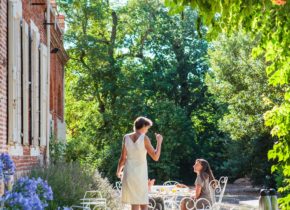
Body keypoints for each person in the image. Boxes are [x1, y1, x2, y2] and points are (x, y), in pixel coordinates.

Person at [116, 116, 163, 210]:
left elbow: (122, 158)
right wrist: (159, 142)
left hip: (128, 173)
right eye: (147, 128)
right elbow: (156, 157)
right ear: (143, 126)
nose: (147, 130)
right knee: (140, 201)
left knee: (138, 202)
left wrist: (118, 171)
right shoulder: (144, 138)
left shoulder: (126, 137)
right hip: (140, 174)